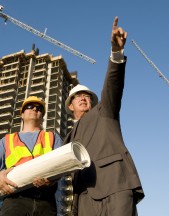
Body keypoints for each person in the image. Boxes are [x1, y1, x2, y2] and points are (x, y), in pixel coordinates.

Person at [63, 16, 145, 216]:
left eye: (87, 96)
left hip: (115, 186)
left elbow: (112, 85)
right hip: (83, 199)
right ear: (70, 106)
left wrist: (116, 53)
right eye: (78, 97)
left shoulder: (104, 112)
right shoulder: (67, 138)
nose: (83, 98)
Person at [0, 96, 63, 216]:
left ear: (42, 116)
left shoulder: (52, 137)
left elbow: (62, 165)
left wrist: (50, 180)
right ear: (22, 114)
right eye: (30, 106)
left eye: (39, 108)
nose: (35, 109)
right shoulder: (8, 140)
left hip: (46, 201)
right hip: (15, 200)